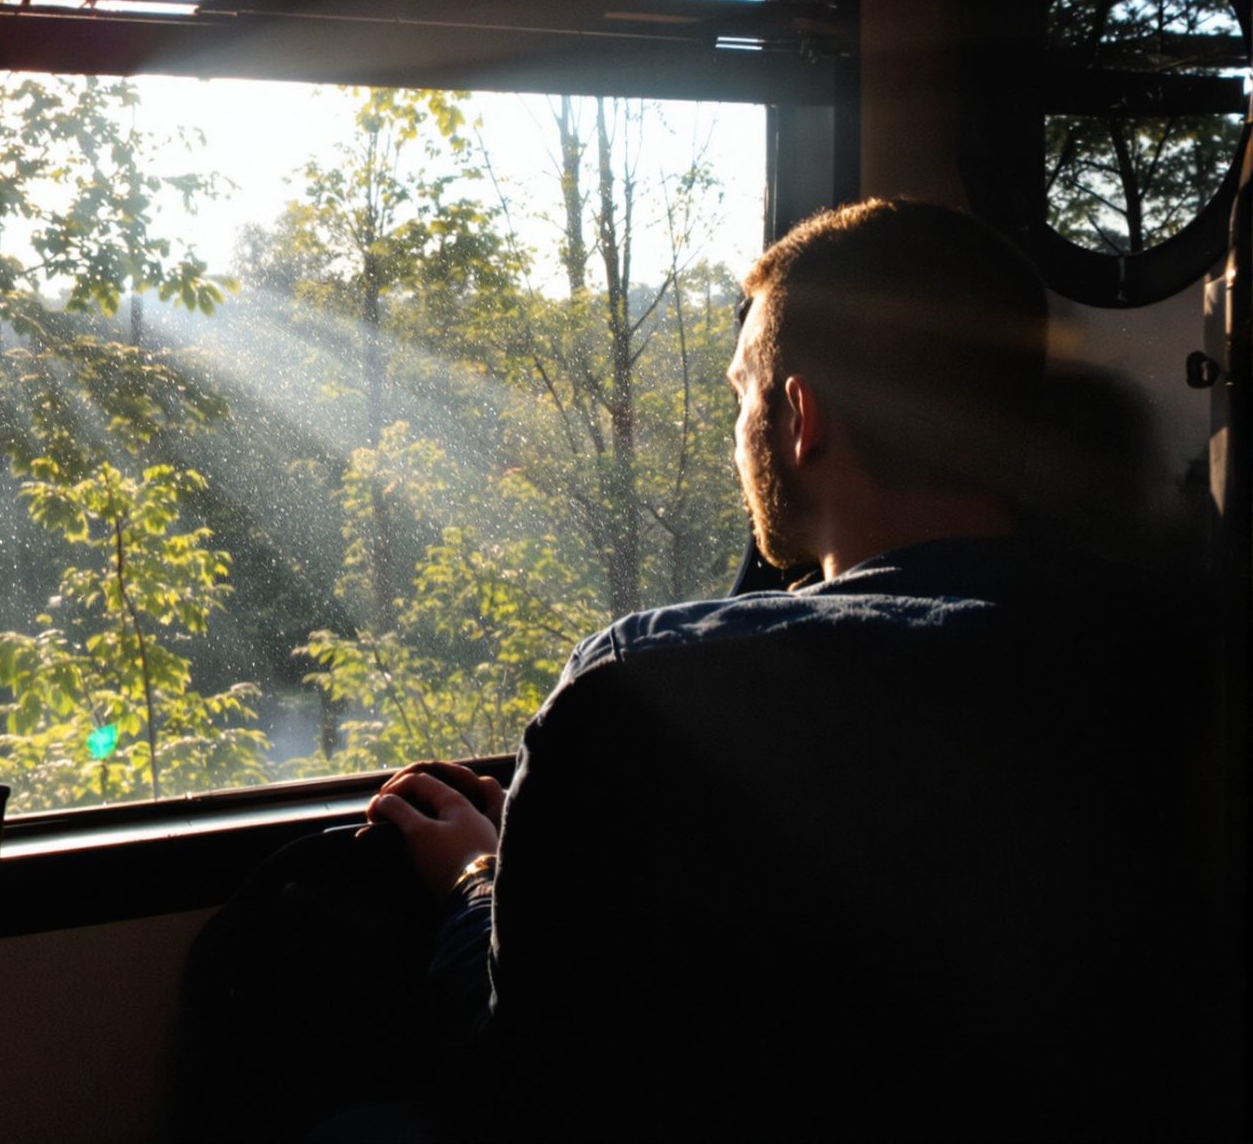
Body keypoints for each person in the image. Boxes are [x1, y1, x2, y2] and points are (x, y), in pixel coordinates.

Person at [359, 199, 1229, 1140]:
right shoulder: (1190, 651)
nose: (741, 428)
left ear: (801, 416)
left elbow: (523, 1081)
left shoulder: (639, 696)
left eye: (744, 393)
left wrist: (475, 882)